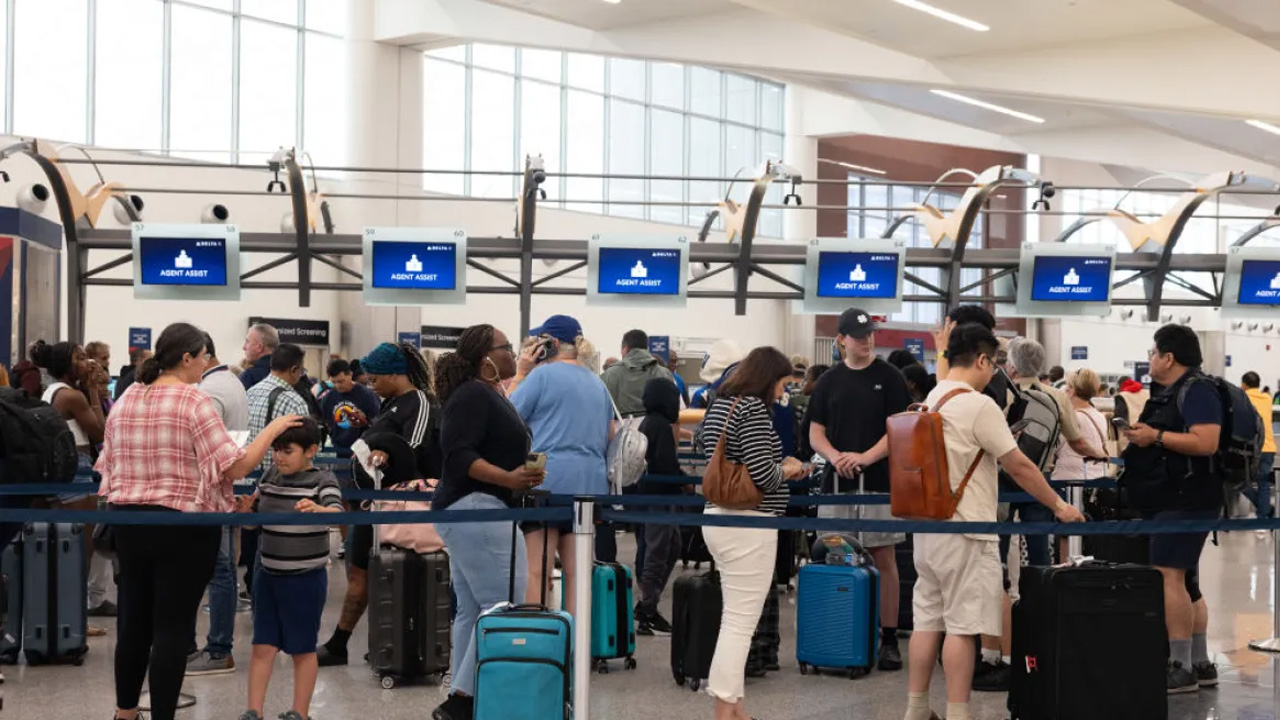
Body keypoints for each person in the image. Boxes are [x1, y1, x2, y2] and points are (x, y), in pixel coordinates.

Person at [96, 322, 300, 720]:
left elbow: (110, 464)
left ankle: (124, 712)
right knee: (172, 627)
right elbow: (235, 465)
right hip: (182, 528)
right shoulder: (194, 401)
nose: (207, 364)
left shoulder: (127, 398)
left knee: (133, 621)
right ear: (187, 357)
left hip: (128, 523)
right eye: (204, 356)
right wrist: (273, 430)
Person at [904, 323, 1084, 720]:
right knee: (962, 628)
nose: (997, 371)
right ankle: (957, 713)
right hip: (968, 531)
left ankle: (916, 709)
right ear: (982, 360)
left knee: (927, 622)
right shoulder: (979, 404)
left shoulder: (935, 396)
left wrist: (940, 349)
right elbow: (1018, 464)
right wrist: (1059, 505)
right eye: (995, 362)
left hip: (928, 529)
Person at [430, 325, 545, 720]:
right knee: (505, 603)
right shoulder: (473, 395)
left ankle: (468, 693)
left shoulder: (486, 394)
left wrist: (518, 475)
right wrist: (509, 479)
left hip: (473, 508)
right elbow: (459, 455)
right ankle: (461, 699)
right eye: (506, 347)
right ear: (486, 360)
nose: (513, 352)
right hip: (476, 507)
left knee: (473, 607)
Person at [695, 347, 806, 720]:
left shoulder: (719, 405)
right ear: (768, 378)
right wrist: (790, 468)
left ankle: (736, 708)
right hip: (749, 524)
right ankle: (725, 709)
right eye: (781, 384)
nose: (782, 393)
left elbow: (708, 451)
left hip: (719, 519)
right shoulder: (753, 410)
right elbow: (763, 475)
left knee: (734, 617)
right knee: (741, 624)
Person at [317, 341, 442, 666]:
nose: (370, 385)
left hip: (402, 507)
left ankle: (394, 642)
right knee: (361, 572)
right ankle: (344, 643)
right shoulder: (389, 404)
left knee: (397, 575)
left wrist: (387, 453)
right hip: (373, 503)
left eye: (375, 379)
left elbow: (412, 448)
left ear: (396, 374)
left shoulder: (419, 401)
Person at [806, 309, 913, 671]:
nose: (866, 341)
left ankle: (888, 638)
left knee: (884, 557)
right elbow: (815, 431)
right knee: (836, 555)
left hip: (879, 483)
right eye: (858, 335)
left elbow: (898, 429)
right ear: (841, 340)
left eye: (869, 334)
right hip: (837, 484)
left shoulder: (890, 378)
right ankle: (838, 630)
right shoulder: (829, 382)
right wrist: (837, 457)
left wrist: (865, 458)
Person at [1122, 324, 1223, 694]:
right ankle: (1200, 662)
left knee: (1170, 578)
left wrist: (1156, 436)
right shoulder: (1178, 392)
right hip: (1176, 498)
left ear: (1168, 357)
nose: (1149, 359)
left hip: (1185, 500)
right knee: (1186, 581)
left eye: (1153, 352)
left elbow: (1206, 442)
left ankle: (1179, 667)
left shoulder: (1196, 391)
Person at [507, 316, 612, 614]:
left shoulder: (541, 377)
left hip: (546, 481)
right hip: (591, 484)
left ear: (549, 344)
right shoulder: (597, 383)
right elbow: (609, 433)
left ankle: (541, 645)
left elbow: (507, 417)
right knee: (578, 572)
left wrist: (520, 373)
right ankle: (579, 648)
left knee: (536, 569)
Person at [239, 418, 342, 720]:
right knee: (262, 645)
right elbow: (252, 522)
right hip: (267, 575)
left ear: (311, 450)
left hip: (305, 580)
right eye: (276, 450)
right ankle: (253, 711)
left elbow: (336, 511)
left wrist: (318, 508)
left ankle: (300, 712)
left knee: (302, 648)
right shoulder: (269, 476)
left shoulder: (322, 480)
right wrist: (245, 511)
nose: (279, 458)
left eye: (287, 451)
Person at [188, 333, 251, 676]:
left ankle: (217, 649)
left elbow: (200, 448)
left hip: (210, 493)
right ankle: (218, 647)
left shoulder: (208, 392)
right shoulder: (233, 382)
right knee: (223, 569)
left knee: (219, 570)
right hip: (224, 488)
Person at [634, 376, 686, 635]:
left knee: (670, 546)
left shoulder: (648, 422)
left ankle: (647, 604)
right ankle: (648, 609)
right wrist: (685, 482)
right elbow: (666, 465)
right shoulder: (661, 426)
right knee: (659, 552)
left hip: (650, 496)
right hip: (661, 498)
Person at [600, 328, 674, 417]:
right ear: (647, 348)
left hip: (621, 428)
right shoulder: (665, 374)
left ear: (624, 348)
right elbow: (673, 415)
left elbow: (600, 412)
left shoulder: (608, 375)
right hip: (656, 429)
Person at [1051, 369, 1109, 483]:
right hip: (1097, 478)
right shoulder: (1100, 416)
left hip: (1069, 479)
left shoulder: (1071, 417)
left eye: (1067, 385)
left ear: (1071, 390)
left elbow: (1055, 447)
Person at [318, 358, 381, 460]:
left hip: (363, 449)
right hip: (339, 450)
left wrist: (366, 422)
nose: (338, 386)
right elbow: (326, 423)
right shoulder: (328, 398)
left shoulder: (367, 396)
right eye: (334, 382)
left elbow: (378, 424)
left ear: (350, 375)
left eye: (341, 381)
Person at [1241, 371, 1275, 519]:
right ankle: (1264, 514)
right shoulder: (1267, 398)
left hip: (1251, 449)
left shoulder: (1243, 398)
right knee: (1264, 483)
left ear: (1244, 384)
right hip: (1269, 448)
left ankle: (1264, 508)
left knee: (1239, 480)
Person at [240, 323, 280, 390]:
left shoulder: (249, 377)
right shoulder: (290, 374)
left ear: (259, 347)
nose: (243, 347)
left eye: (247, 342)